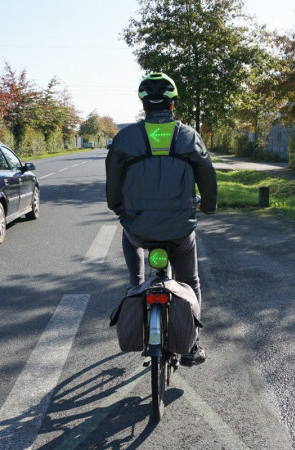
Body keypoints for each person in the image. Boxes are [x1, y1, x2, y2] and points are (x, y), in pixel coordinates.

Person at [106, 72, 217, 364]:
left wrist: (118, 207)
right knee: (190, 280)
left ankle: (136, 286)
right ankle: (192, 346)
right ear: (171, 104)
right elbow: (206, 173)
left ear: (144, 106)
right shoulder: (188, 136)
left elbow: (113, 183)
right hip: (180, 228)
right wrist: (208, 205)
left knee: (131, 247)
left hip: (138, 229)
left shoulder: (125, 138)